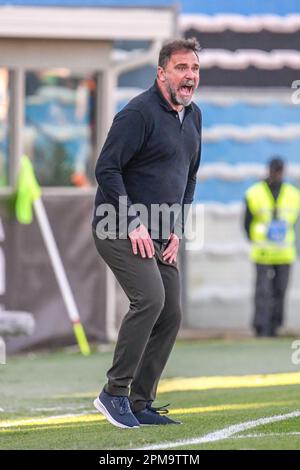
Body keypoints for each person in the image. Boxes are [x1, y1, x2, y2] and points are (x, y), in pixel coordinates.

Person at [92, 38, 202, 428]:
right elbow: (106, 169)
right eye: (180, 68)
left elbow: (189, 178)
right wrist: (134, 221)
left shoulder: (194, 116)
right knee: (150, 299)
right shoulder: (137, 114)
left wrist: (175, 228)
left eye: (194, 69)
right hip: (117, 226)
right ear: (161, 73)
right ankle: (114, 393)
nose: (189, 76)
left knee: (171, 311)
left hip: (160, 231)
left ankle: (139, 401)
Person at [244, 158, 300, 337]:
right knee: (263, 291)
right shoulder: (254, 192)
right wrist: (254, 239)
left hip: (285, 252)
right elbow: (246, 222)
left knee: (280, 290)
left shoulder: (293, 193)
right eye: (274, 170)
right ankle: (261, 326)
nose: (276, 173)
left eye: (279, 170)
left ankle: (275, 326)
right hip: (263, 251)